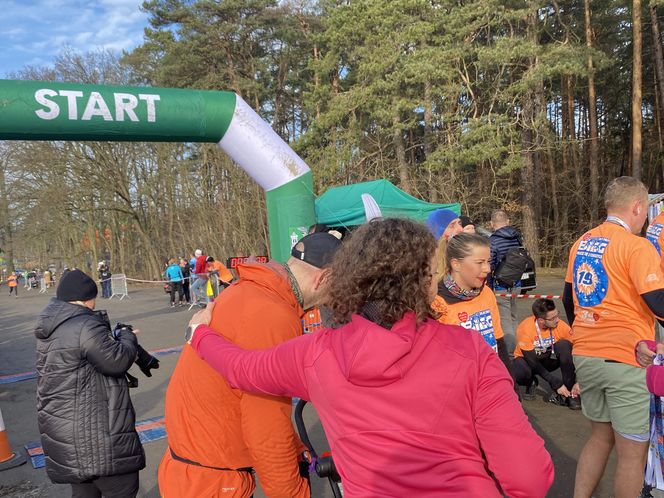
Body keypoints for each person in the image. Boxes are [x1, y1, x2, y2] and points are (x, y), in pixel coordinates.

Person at [186, 219, 553, 498]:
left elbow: (240, 369)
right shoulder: (470, 351)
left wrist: (200, 333)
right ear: (422, 280)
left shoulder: (315, 353)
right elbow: (529, 477)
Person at [158, 232, 342, 498]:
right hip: (214, 479)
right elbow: (267, 430)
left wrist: (294, 448)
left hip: (195, 468)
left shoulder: (250, 292)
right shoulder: (272, 315)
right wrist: (293, 493)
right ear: (323, 278)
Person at [563, 177, 664, 498]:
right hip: (627, 358)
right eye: (645, 210)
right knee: (632, 453)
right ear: (637, 207)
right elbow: (659, 303)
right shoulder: (636, 246)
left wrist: (585, 334)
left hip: (586, 355)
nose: (646, 217)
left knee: (600, 437)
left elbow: (568, 299)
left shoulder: (581, 242)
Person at [34, 270, 160, 498]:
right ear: (86, 298)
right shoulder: (84, 325)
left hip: (65, 433)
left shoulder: (53, 325)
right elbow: (117, 361)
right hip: (96, 436)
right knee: (122, 490)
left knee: (85, 494)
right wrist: (127, 336)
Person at [431, 232, 515, 381]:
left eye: (488, 262)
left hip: (491, 381)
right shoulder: (436, 301)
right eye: (480, 263)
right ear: (456, 264)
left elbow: (499, 342)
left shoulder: (487, 293)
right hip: (458, 387)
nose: (487, 269)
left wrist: (511, 386)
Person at [513, 298, 580, 409]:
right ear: (541, 320)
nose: (557, 320)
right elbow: (532, 362)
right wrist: (554, 382)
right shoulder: (525, 328)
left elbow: (579, 348)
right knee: (517, 372)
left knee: (564, 345)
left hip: (548, 360)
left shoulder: (560, 325)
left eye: (557, 314)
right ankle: (530, 382)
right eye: (552, 318)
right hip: (529, 362)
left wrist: (580, 380)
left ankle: (569, 391)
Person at [489, 209, 524, 353]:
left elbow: (490, 264)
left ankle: (510, 351)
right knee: (514, 315)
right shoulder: (517, 237)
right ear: (508, 222)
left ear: (491, 224)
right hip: (516, 283)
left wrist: (489, 286)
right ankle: (518, 348)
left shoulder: (493, 241)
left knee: (505, 320)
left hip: (500, 286)